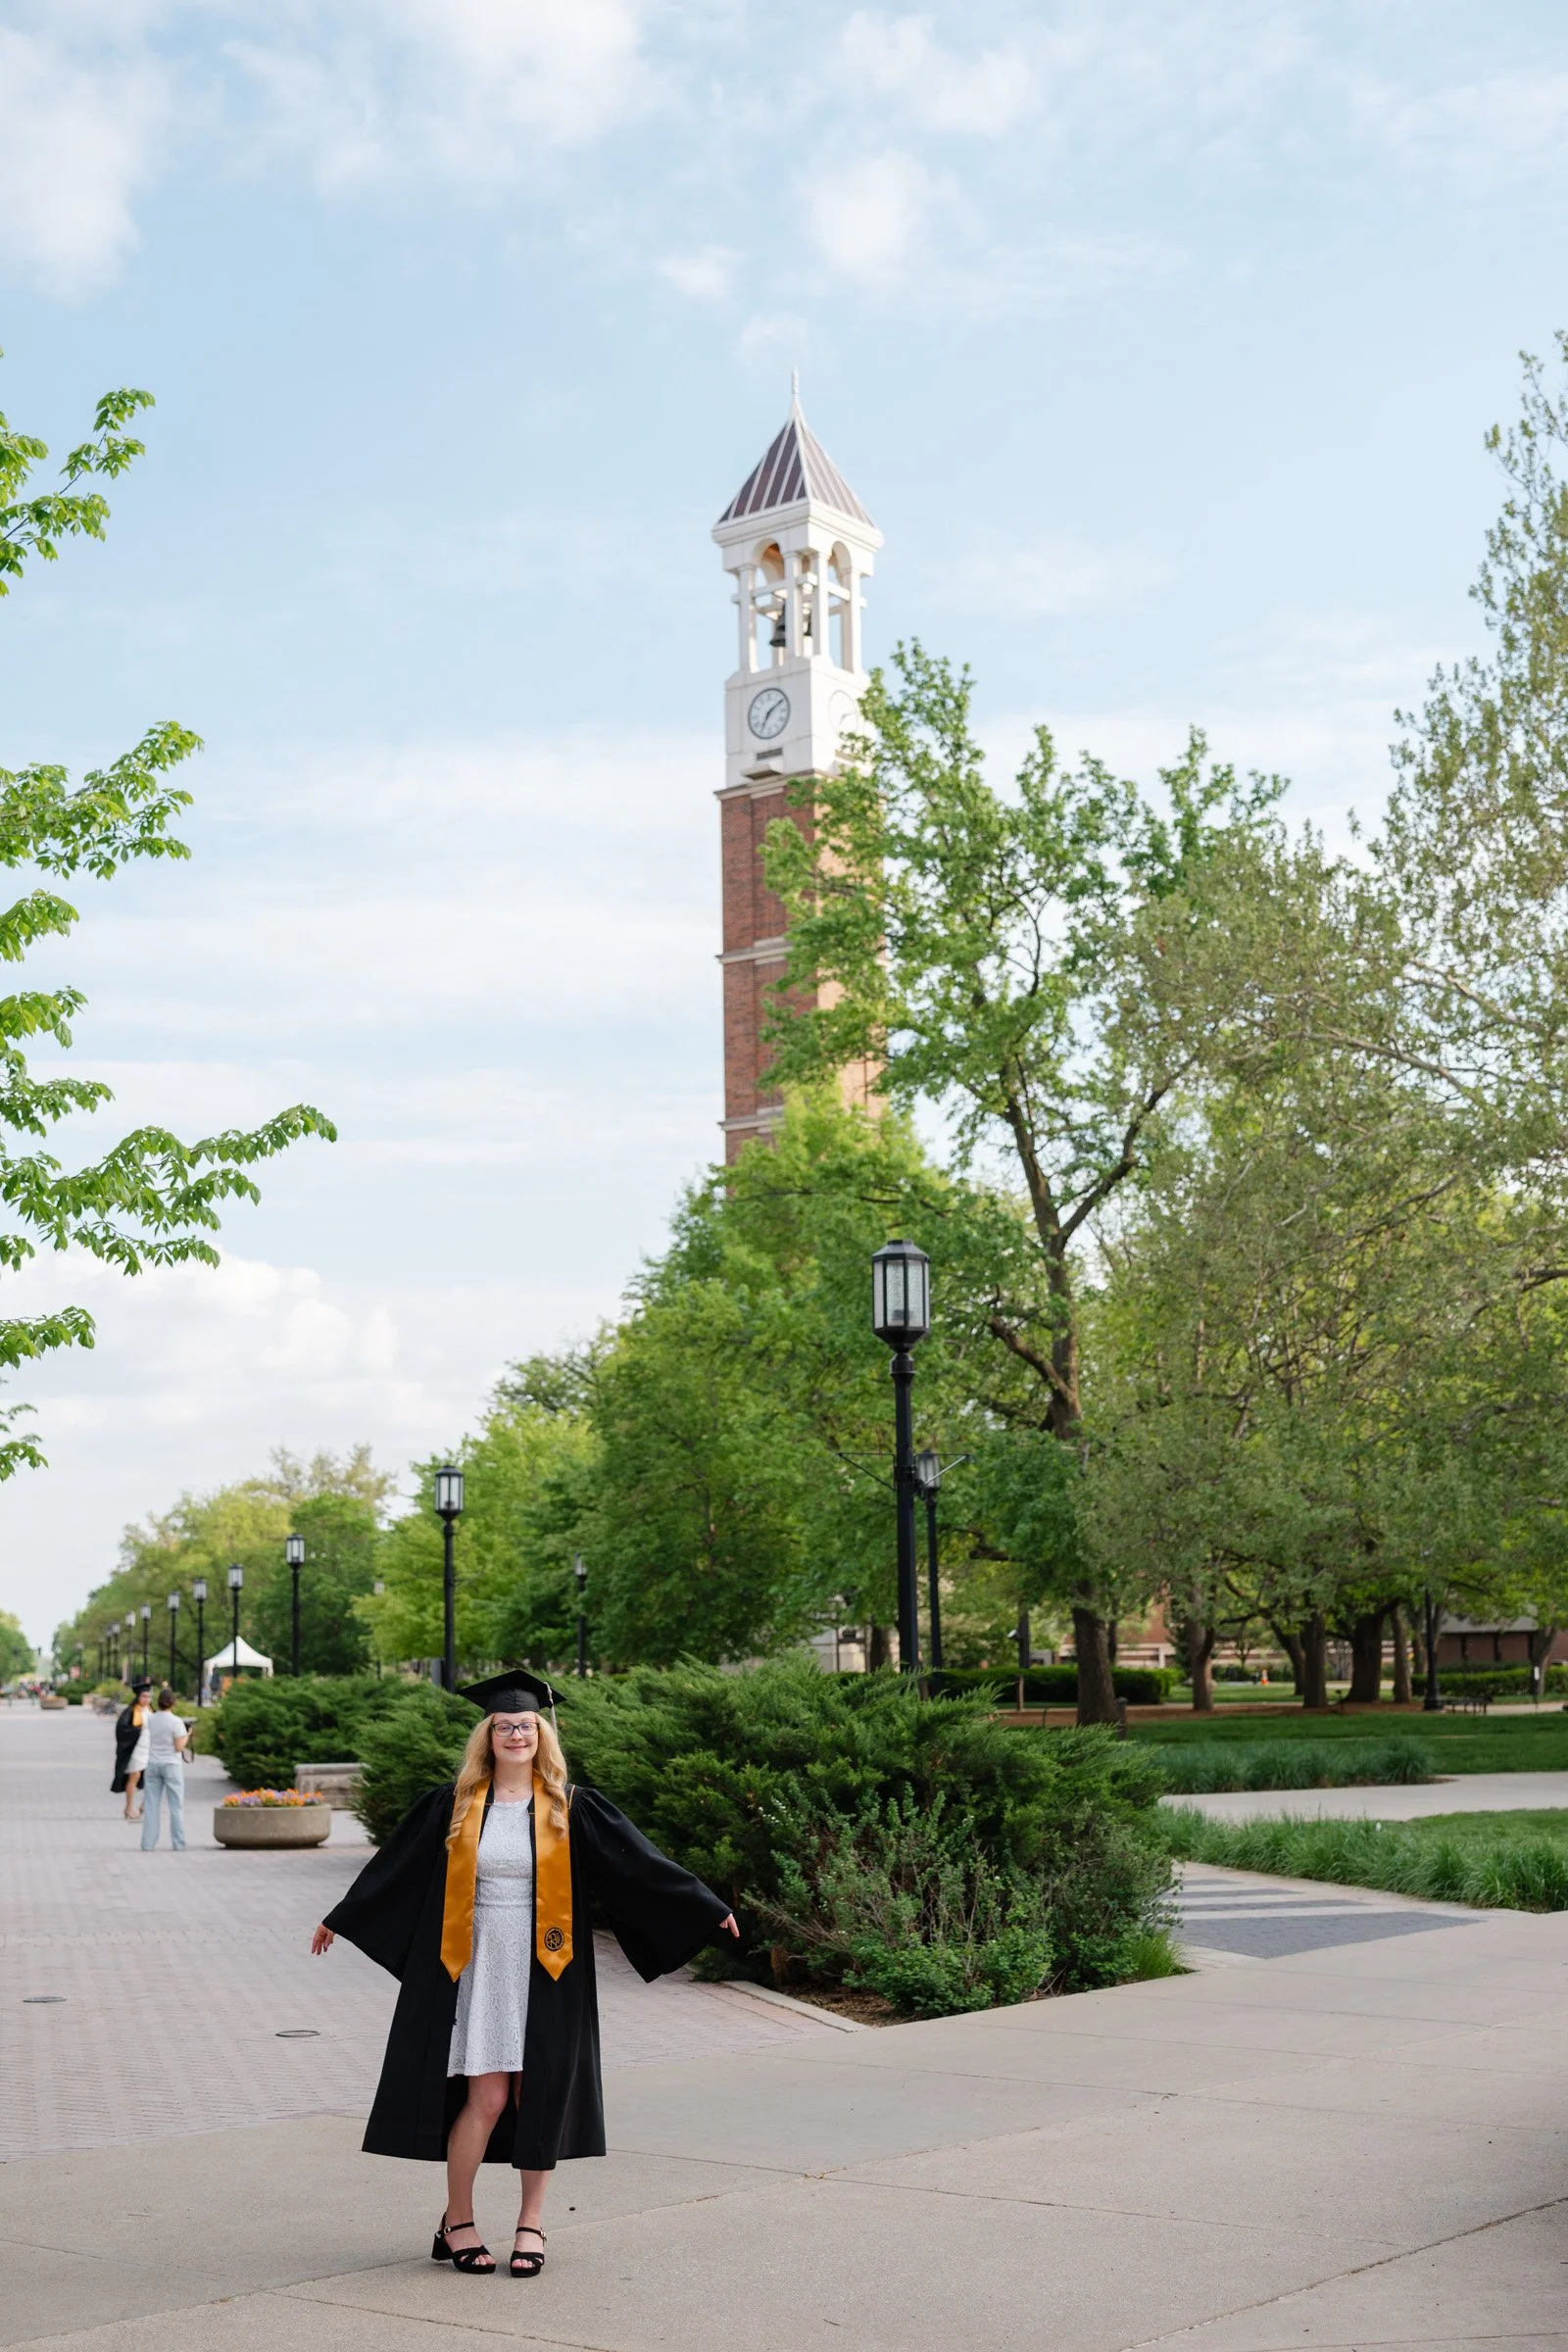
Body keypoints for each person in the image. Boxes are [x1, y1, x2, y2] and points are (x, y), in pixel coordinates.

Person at [311, 1669, 739, 2280]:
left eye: (527, 1725)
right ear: (487, 1736)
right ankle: (458, 2221)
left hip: (549, 1965)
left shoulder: (571, 1805)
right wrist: (344, 1915)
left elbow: (639, 1865)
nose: (517, 1735)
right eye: (505, 1726)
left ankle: (531, 2224)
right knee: (485, 2097)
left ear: (542, 1734)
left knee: (536, 2095)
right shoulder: (453, 1804)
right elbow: (396, 1865)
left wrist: (702, 1906)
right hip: (476, 1963)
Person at [140, 1688, 189, 1850]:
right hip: (171, 1765)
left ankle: (148, 1843)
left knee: (151, 1804)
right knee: (176, 1805)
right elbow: (179, 1747)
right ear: (173, 1703)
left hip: (153, 1763)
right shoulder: (176, 1721)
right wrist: (188, 1735)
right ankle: (178, 1843)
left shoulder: (151, 1719)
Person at [112, 1681, 152, 1819]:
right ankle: (129, 1808)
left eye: (148, 1697)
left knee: (151, 1778)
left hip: (149, 1749)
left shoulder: (150, 1711)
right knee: (134, 1776)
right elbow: (122, 1729)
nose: (146, 1699)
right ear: (138, 1697)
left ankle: (145, 1805)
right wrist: (136, 1731)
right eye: (144, 1696)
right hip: (136, 1749)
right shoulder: (131, 1711)